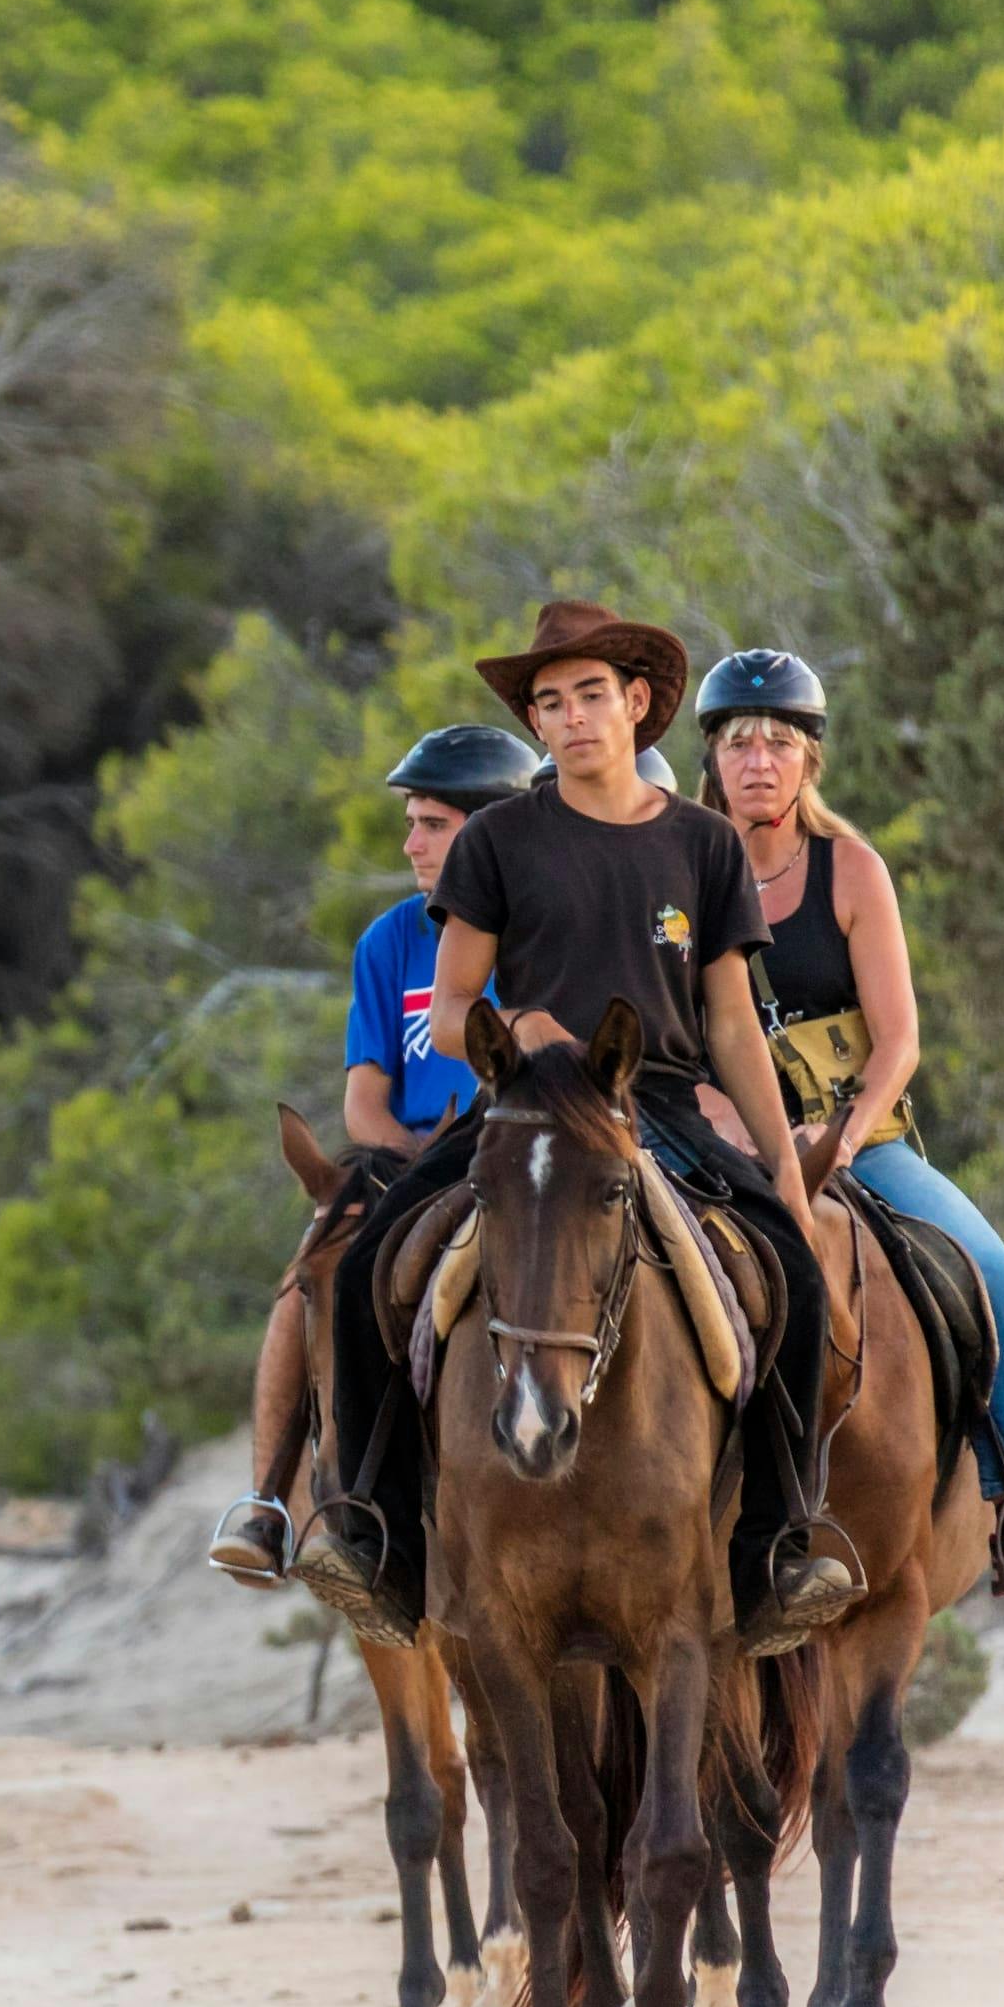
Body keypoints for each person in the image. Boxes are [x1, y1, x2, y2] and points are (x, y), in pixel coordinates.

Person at [280, 598, 863, 1650]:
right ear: (537, 725)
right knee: (374, 1258)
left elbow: (731, 1020)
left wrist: (779, 1162)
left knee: (794, 1275)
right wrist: (521, 1025)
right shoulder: (498, 841)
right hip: (525, 1113)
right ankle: (377, 1539)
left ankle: (776, 1546)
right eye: (548, 704)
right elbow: (450, 1011)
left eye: (590, 696)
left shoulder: (701, 845)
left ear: (635, 705)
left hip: (666, 1110)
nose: (571, 718)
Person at [689, 647, 1004, 1594]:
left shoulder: (852, 870)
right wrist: (731, 1124)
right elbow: (683, 1038)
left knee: (991, 1271)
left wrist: (842, 1138)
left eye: (780, 743)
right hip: (723, 1149)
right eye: (739, 743)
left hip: (857, 1144)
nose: (759, 761)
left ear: (809, 761)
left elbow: (899, 1040)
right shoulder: (681, 875)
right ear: (711, 758)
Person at [209, 722, 540, 1585]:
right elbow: (362, 1105)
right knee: (313, 1272)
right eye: (411, 821)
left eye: (431, 822)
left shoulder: (544, 924)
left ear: (486, 828)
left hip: (527, 1148)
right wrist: (417, 1152)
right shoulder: (389, 941)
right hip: (417, 1155)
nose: (411, 842)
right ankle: (275, 1506)